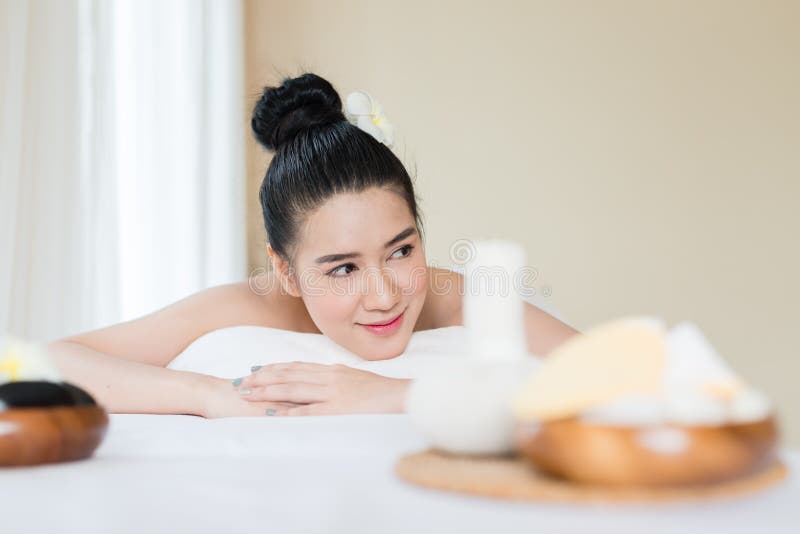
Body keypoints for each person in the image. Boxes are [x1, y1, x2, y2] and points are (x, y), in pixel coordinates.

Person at [47, 73, 579, 418]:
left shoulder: (451, 295)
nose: (384, 296)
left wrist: (394, 394)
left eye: (400, 251)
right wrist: (206, 395)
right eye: (343, 269)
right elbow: (51, 359)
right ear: (286, 271)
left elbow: (611, 373)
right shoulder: (242, 306)